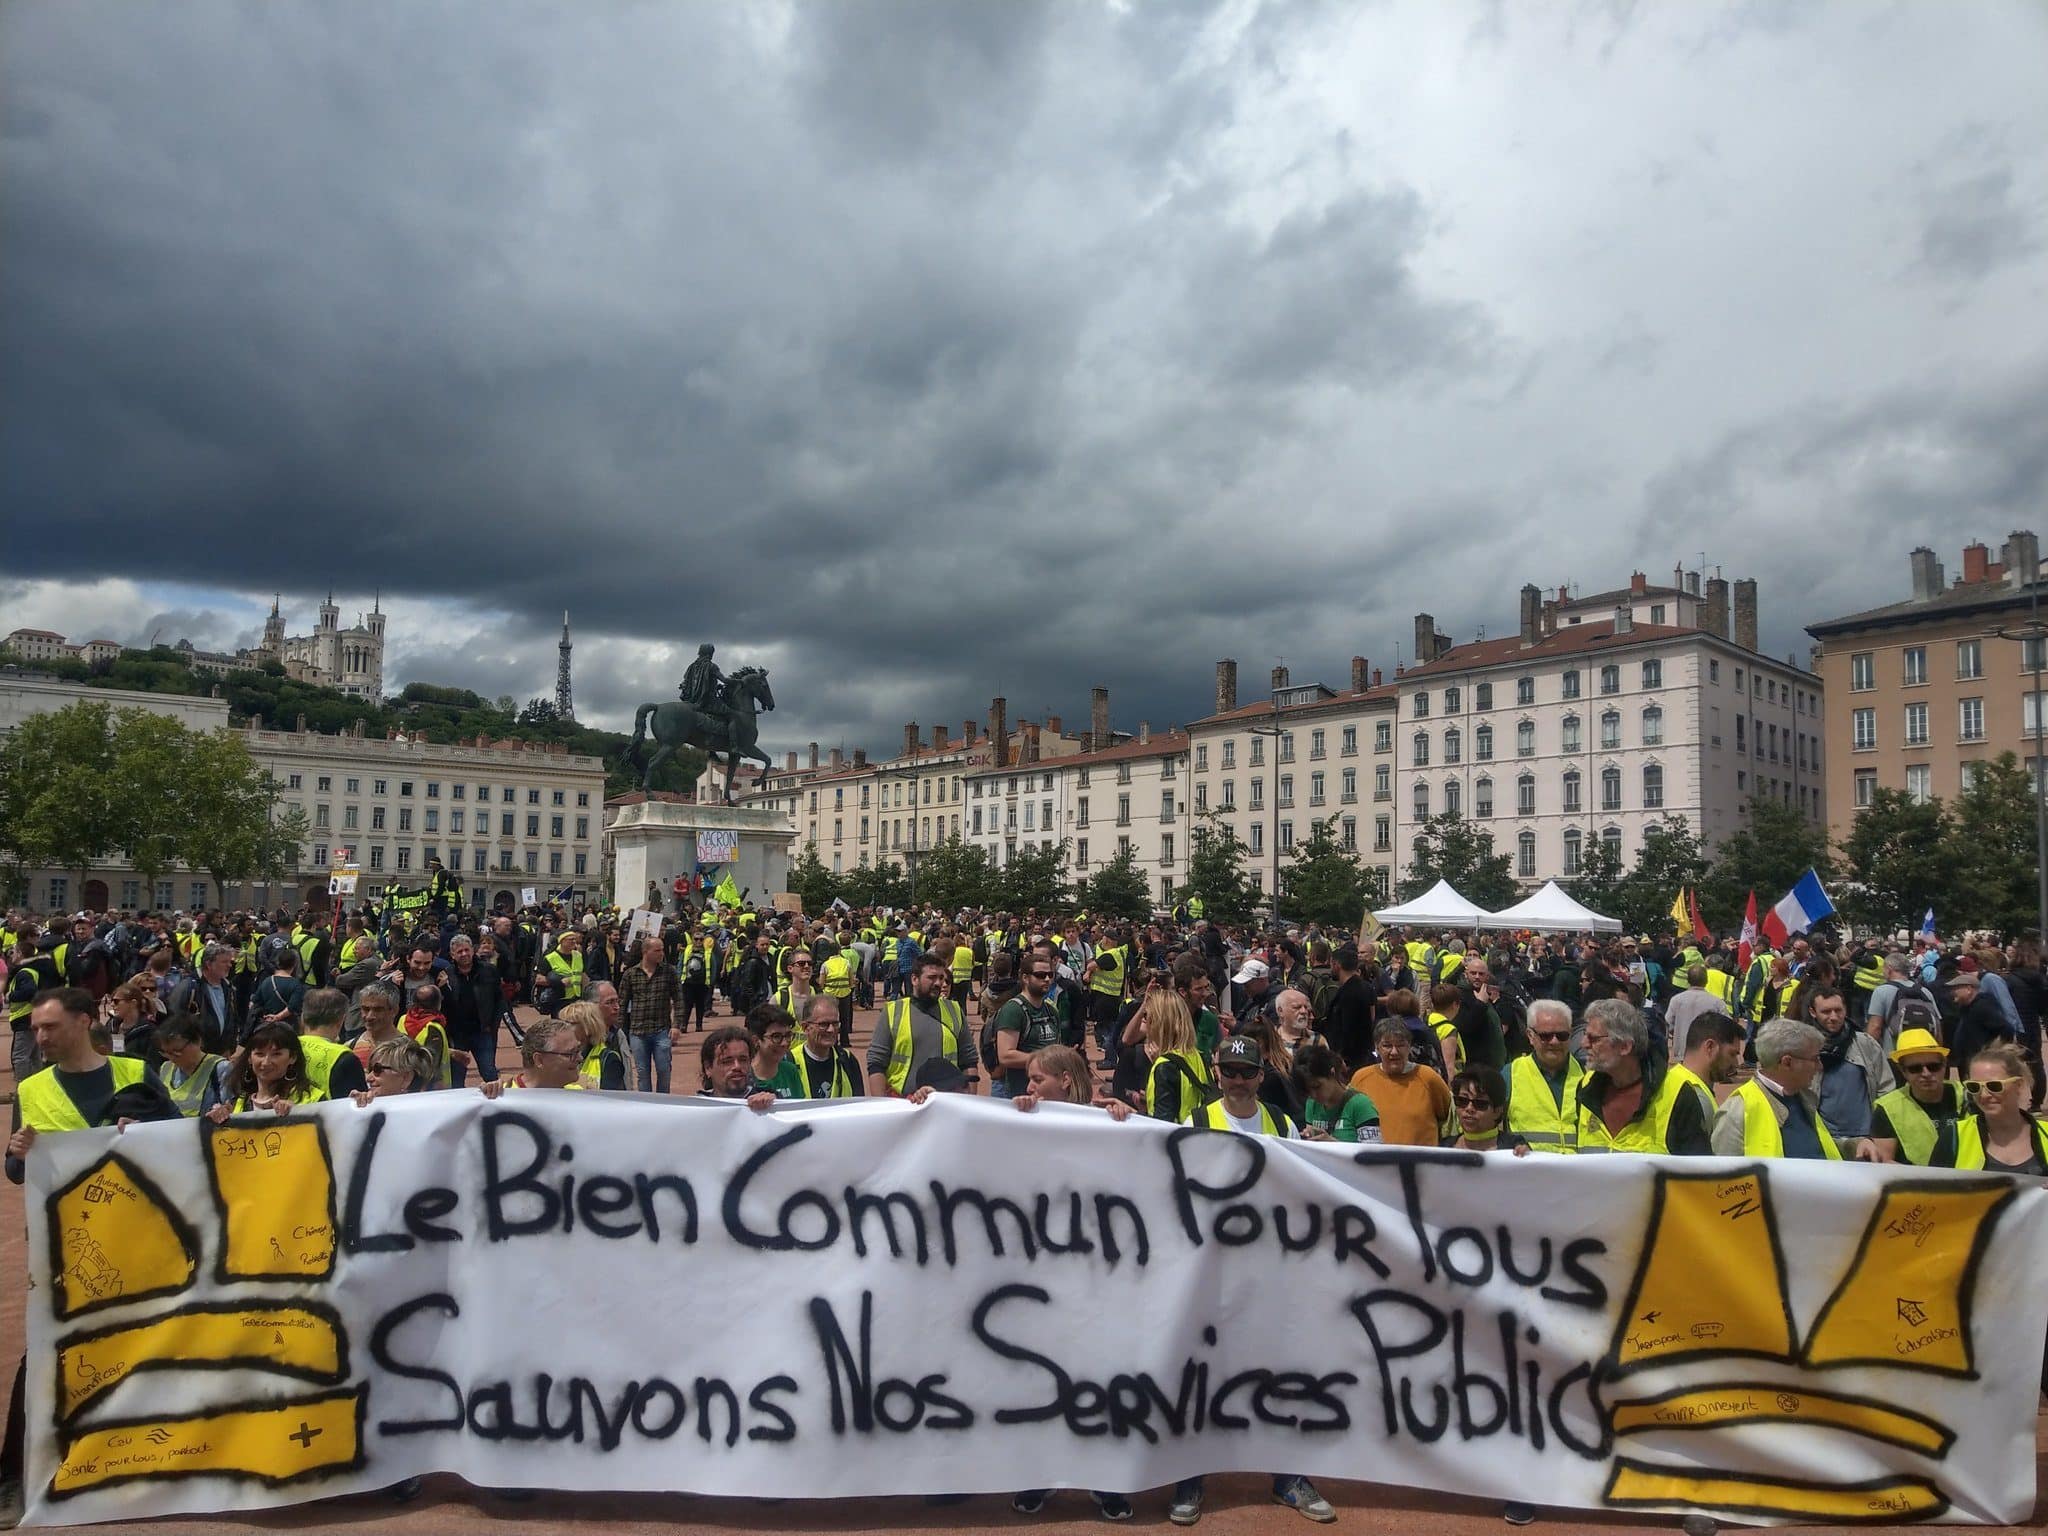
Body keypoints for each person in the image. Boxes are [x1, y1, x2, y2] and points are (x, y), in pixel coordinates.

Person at [1169, 1034, 1335, 1530]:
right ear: (1217, 1072)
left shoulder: (1282, 1123)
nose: (1238, 1081)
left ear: (1262, 1075)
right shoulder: (1194, 1121)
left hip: (1269, 1272)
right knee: (1200, 1374)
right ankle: (1189, 1476)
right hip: (1208, 1274)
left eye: (1247, 1072)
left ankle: (1288, 1476)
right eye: (1229, 1071)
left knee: (1279, 1372)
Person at [1713, 1018, 1878, 1161]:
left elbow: (1814, 1148)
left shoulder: (1804, 1096)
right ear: (1787, 1062)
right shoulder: (1736, 1112)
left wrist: (1854, 1145)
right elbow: (1726, 1184)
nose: (1819, 1066)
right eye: (1814, 1059)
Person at [1573, 998, 1712, 1156]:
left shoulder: (1677, 1094)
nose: (1583, 1044)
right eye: (1585, 1035)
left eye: (1594, 1039)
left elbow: (1697, 1172)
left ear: (1625, 1047)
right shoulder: (1586, 1086)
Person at [868, 953, 977, 1097]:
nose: (938, 983)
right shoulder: (893, 1011)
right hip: (902, 1105)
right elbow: (876, 1063)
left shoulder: (954, 1010)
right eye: (932, 978)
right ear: (914, 979)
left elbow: (969, 1060)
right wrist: (881, 1106)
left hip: (945, 1103)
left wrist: (969, 1101)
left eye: (941, 978)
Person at [1929, 1042, 2048, 1172]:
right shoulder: (1954, 1136)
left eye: (1994, 1086)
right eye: (1974, 1087)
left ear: (2018, 1085)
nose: (1984, 1095)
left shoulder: (2045, 1134)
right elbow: (1932, 1189)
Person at [1808, 985, 1893, 1139]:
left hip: (1865, 1137)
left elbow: (1886, 1087)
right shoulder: (1804, 1049)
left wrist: (1880, 1129)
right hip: (1824, 1138)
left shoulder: (1866, 1044)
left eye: (1838, 1010)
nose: (1833, 1017)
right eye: (1826, 1012)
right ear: (1812, 1012)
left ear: (1845, 1009)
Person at [1870, 1029, 1965, 1166]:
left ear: (1944, 1066)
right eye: (1915, 1068)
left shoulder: (1968, 1095)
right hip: (1917, 1184)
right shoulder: (1888, 1108)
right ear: (1903, 1071)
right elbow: (1884, 1162)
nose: (1926, 1073)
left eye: (1933, 1067)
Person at [1350, 1017, 1450, 1147]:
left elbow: (1449, 1119)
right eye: (1387, 1046)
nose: (1394, 1052)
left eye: (1400, 1045)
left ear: (1409, 1046)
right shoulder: (1360, 1079)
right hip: (1375, 1163)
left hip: (1421, 1163)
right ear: (1377, 1047)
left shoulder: (1428, 1077)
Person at [1504, 1000, 1584, 1154]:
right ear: (1530, 1036)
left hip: (1577, 1174)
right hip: (1529, 1173)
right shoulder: (1511, 1074)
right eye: (1546, 1036)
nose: (1554, 1042)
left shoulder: (1587, 1075)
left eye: (1562, 1035)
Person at [205, 1021, 323, 1118]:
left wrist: (299, 1114)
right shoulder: (237, 1105)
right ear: (249, 1058)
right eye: (259, 1054)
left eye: (276, 1054)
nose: (266, 1062)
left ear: (292, 1057)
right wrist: (218, 1121)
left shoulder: (314, 1099)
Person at [992, 952, 1064, 1101]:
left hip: (1048, 1096)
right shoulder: (1013, 1010)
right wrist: (1044, 1060)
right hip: (1019, 1093)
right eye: (1040, 975)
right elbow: (1005, 1056)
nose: (1047, 979)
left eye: (1050, 975)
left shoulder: (1051, 1010)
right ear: (1025, 978)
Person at [620, 934, 684, 1094]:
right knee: (642, 1073)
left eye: (662, 950)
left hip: (661, 1030)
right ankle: (646, 1104)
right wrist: (619, 1029)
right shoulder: (630, 974)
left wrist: (677, 1026)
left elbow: (679, 1000)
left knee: (664, 1070)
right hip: (638, 1032)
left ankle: (662, 1103)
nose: (661, 953)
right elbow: (621, 1003)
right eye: (657, 950)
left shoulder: (669, 972)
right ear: (645, 952)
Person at [1139, 990, 1213, 1125]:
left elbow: (1162, 1124)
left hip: (1177, 1140)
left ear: (1158, 1022)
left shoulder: (1164, 1066)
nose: (1144, 1020)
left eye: (1146, 1015)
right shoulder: (1197, 1055)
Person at [440, 933, 504, 1087]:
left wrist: (493, 1024)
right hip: (457, 1033)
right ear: (452, 955)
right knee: (457, 1076)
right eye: (459, 952)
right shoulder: (446, 975)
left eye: (466, 950)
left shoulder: (488, 970)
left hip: (482, 1031)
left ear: (472, 950)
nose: (464, 954)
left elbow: (499, 999)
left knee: (489, 1072)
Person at [1291, 1043, 1380, 1143]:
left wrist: (1334, 1144)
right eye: (1308, 1091)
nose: (1314, 1095)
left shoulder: (1361, 1104)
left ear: (1332, 1073)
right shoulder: (1312, 1103)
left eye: (1317, 1087)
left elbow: (1372, 1154)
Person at [1668, 1010, 1744, 1123]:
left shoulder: (1669, 1080)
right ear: (1710, 1047)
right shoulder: (1698, 1101)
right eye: (1732, 1054)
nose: (1736, 1063)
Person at [298, 987, 369, 1101]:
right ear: (341, 1020)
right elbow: (360, 1106)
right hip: (325, 1117)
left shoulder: (284, 1048)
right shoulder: (344, 1057)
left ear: (303, 1018)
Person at [153, 1014, 229, 1117]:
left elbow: (230, 1110)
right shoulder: (165, 1068)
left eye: (177, 1052)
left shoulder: (220, 1069)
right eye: (167, 1053)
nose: (172, 1058)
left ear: (197, 1041)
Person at [790, 996, 864, 1099]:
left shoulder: (847, 1060)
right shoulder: (789, 1062)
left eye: (835, 1024)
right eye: (823, 1024)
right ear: (805, 1028)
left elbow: (859, 1105)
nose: (831, 1030)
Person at [168, 942, 237, 1054]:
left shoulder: (229, 988)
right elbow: (174, 1020)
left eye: (230, 962)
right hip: (195, 1053)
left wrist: (230, 1048)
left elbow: (233, 1020)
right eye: (224, 962)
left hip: (221, 1053)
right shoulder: (189, 987)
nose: (230, 965)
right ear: (209, 964)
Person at [1448, 1068, 1527, 1153]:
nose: (1469, 1108)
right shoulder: (1444, 1147)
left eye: (1480, 1103)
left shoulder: (1515, 1148)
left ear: (1497, 1111)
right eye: (1462, 1100)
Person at [700, 1025, 776, 1109]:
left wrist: (775, 1107)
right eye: (727, 1062)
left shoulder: (772, 1102)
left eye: (743, 1060)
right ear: (708, 1068)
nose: (737, 1066)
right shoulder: (695, 1110)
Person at [559, 999, 626, 1091]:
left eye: (569, 1023)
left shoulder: (608, 1058)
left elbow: (613, 1100)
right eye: (562, 1023)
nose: (563, 1028)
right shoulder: (559, 1055)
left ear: (588, 1026)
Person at [352, 1036, 438, 1103]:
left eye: (377, 1069)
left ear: (406, 1078)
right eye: (370, 1069)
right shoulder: (368, 1106)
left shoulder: (429, 1114)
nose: (368, 1078)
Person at [746, 1003, 804, 1098]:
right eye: (776, 1037)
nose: (784, 1043)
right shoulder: (743, 1076)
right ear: (756, 1040)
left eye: (788, 1035)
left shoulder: (790, 1071)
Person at [248, 943, 308, 1035]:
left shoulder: (267, 981)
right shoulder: (296, 984)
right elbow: (292, 1007)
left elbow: (255, 1001)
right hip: (287, 1026)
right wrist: (277, 1017)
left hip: (267, 1024)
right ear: (294, 964)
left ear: (278, 963)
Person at [401, 983, 454, 1088]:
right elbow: (432, 1061)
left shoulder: (403, 1019)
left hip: (404, 1081)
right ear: (437, 1003)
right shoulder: (433, 1027)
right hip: (430, 1087)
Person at [536, 928, 586, 1016]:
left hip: (576, 999)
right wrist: (558, 982)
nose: (574, 942)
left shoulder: (578, 955)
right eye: (571, 939)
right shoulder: (550, 957)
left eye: (575, 939)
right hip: (559, 1000)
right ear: (562, 941)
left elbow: (583, 975)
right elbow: (539, 979)